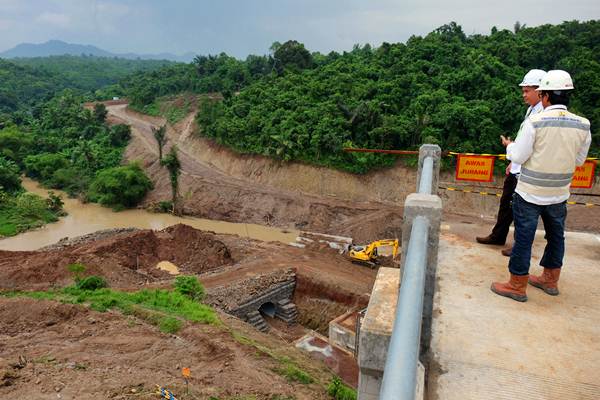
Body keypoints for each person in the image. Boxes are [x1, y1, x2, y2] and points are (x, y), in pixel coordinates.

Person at [491, 70, 592, 302]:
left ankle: (517, 285)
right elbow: (579, 160)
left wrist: (509, 147)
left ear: (545, 96)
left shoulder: (535, 122)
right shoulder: (583, 125)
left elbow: (519, 154)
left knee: (524, 238)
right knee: (556, 237)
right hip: (559, 194)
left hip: (530, 193)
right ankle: (550, 279)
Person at [476, 69, 546, 257]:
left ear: (540, 91)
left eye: (527, 91)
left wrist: (509, 147)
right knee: (506, 203)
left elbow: (534, 146)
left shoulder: (543, 114)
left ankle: (519, 247)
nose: (523, 95)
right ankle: (498, 235)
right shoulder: (531, 109)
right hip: (517, 167)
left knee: (523, 211)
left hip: (527, 172)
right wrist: (513, 162)